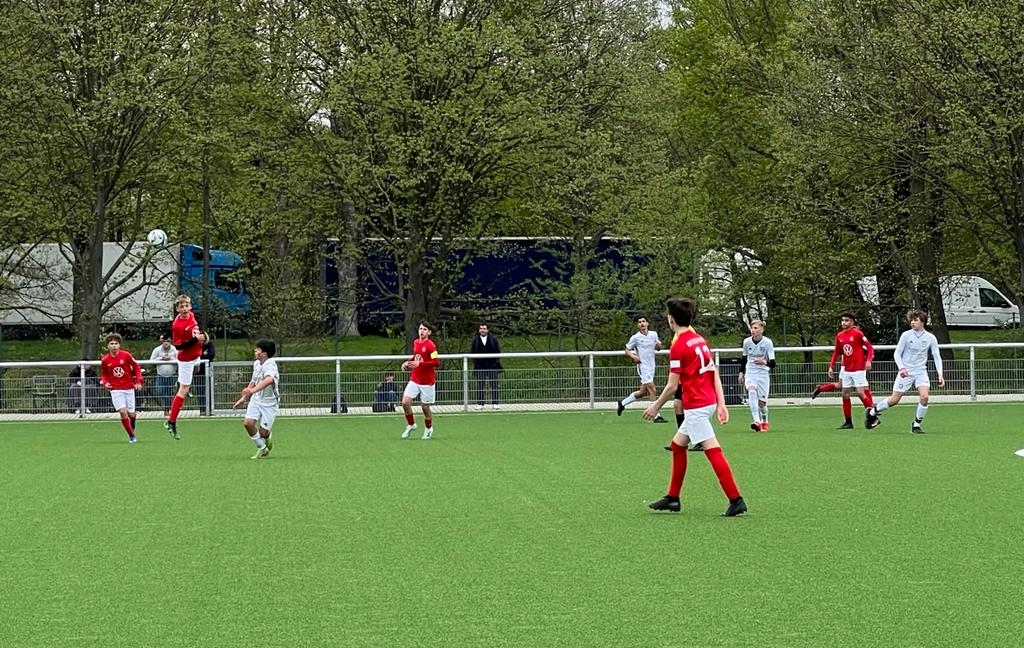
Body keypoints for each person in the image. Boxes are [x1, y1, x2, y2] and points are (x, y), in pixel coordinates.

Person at [643, 297, 747, 517]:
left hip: (696, 406)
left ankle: (736, 499)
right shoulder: (699, 340)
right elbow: (713, 372)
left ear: (671, 319)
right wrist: (721, 403)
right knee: (678, 445)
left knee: (712, 450)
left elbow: (672, 386)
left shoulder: (679, 346)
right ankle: (673, 497)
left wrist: (655, 406)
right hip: (707, 401)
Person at [866, 309, 945, 432]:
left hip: (921, 372)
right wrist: (901, 368)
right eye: (911, 320)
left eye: (915, 320)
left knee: (924, 397)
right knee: (894, 400)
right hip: (906, 372)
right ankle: (871, 412)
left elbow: (936, 356)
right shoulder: (906, 335)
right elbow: (897, 353)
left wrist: (940, 374)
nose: (912, 322)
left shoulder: (930, 338)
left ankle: (916, 425)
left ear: (922, 322)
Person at [233, 339, 280, 459]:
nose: (255, 351)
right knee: (247, 423)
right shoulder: (256, 364)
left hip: (270, 402)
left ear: (264, 354)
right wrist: (243, 398)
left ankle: (267, 436)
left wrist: (252, 391)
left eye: (258, 349)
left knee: (263, 432)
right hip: (256, 399)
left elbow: (269, 380)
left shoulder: (270, 364)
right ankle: (262, 448)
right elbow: (253, 381)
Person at [827, 313, 875, 429]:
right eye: (842, 320)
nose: (844, 322)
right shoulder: (840, 335)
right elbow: (837, 351)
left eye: (847, 320)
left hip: (858, 368)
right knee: (845, 393)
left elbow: (869, 347)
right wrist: (831, 366)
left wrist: (868, 361)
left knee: (860, 392)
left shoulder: (857, 333)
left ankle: (873, 416)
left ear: (852, 322)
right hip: (847, 368)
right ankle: (848, 422)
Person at [165, 294, 203, 440]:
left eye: (187, 305)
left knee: (194, 373)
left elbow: (196, 331)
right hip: (186, 359)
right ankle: (171, 421)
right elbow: (178, 346)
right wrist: (195, 340)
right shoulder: (177, 325)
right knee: (183, 390)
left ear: (190, 306)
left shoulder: (191, 315)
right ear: (177, 309)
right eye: (182, 307)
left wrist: (202, 337)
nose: (185, 308)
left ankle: (181, 382)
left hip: (196, 357)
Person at [616, 315, 667, 422]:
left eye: (643, 321)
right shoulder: (635, 337)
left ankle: (622, 403)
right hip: (643, 366)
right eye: (639, 322)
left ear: (647, 323)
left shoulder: (653, 334)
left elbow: (658, 348)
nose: (642, 323)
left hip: (651, 365)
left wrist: (658, 346)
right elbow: (627, 350)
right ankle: (656, 415)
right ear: (637, 325)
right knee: (652, 389)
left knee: (642, 392)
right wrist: (633, 356)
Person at [99, 333, 144, 443]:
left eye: (116, 343)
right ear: (108, 346)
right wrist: (105, 383)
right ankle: (131, 435)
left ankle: (131, 426)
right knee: (123, 412)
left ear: (119, 345)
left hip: (129, 387)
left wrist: (138, 381)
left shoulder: (126, 355)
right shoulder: (105, 360)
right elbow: (104, 374)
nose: (114, 346)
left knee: (131, 414)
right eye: (111, 344)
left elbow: (136, 367)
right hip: (116, 389)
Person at [400, 321, 440, 440]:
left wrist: (420, 364)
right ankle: (411, 425)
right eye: (420, 329)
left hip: (427, 381)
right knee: (405, 402)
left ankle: (428, 428)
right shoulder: (416, 342)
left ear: (429, 332)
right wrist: (408, 362)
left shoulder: (431, 346)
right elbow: (416, 356)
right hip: (415, 378)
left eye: (424, 329)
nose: (421, 331)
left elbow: (436, 362)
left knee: (425, 407)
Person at [738, 320, 776, 432]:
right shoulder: (747, 342)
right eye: (752, 328)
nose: (753, 330)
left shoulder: (767, 342)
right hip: (751, 372)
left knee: (762, 404)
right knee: (751, 390)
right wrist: (741, 373)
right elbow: (744, 359)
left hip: (763, 373)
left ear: (762, 330)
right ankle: (757, 421)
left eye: (755, 328)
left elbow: (773, 363)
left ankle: (764, 420)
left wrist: (764, 362)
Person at [470, 323, 503, 409]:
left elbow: (498, 351)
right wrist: (476, 363)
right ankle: (480, 404)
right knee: (480, 385)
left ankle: (495, 403)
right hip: (480, 366)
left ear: (487, 330)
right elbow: (472, 351)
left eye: (484, 328)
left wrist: (495, 362)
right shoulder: (475, 340)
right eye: (481, 328)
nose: (482, 330)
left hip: (492, 365)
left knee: (494, 384)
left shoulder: (493, 339)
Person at [149, 335, 178, 416]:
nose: (166, 343)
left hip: (172, 375)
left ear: (171, 342)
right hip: (160, 375)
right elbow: (151, 360)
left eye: (168, 341)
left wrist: (170, 358)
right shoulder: (157, 350)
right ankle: (167, 407)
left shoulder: (175, 350)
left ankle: (167, 409)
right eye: (164, 341)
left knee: (169, 394)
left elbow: (180, 359)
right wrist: (161, 358)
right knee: (159, 391)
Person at [193, 332, 215, 415]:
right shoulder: (194, 345)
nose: (201, 342)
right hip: (197, 372)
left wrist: (201, 355)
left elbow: (211, 355)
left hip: (207, 371)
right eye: (200, 340)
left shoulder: (209, 345)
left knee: (208, 390)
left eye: (203, 340)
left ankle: (210, 409)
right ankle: (202, 409)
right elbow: (193, 355)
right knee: (200, 391)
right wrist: (203, 354)